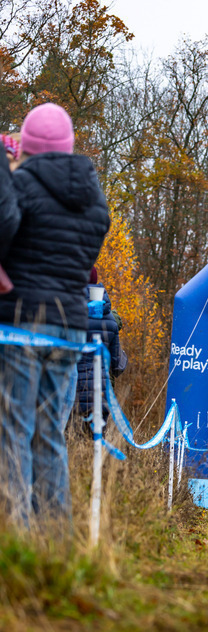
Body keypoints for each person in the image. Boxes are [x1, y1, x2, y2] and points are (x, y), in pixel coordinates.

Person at [0, 102, 110, 528]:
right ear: (67, 146)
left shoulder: (21, 185)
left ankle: (17, 539)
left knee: (13, 431)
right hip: (68, 330)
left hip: (21, 324)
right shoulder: (93, 198)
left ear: (27, 146)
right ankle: (56, 538)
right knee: (49, 434)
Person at [74, 271, 128, 429]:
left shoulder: (69, 313)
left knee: (68, 442)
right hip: (101, 392)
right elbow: (118, 364)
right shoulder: (111, 320)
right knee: (96, 444)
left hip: (72, 389)